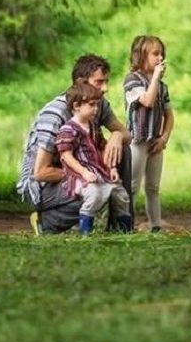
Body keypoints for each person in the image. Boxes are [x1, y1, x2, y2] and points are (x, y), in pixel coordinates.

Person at [17, 54, 133, 235]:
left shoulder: (97, 104)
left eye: (106, 81)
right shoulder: (54, 115)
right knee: (96, 191)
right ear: (81, 83)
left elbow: (126, 135)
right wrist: (87, 175)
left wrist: (117, 136)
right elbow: (40, 172)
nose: (106, 88)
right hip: (39, 185)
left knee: (122, 150)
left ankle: (121, 226)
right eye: (99, 82)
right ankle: (46, 223)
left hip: (76, 169)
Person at [56, 82, 133, 235]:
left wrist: (111, 168)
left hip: (99, 171)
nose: (96, 109)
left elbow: (103, 147)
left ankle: (125, 230)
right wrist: (84, 172)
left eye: (97, 105)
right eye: (91, 105)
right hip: (79, 175)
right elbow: (66, 156)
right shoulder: (68, 130)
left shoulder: (93, 127)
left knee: (120, 194)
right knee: (94, 194)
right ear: (77, 106)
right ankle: (86, 231)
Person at [123, 35, 174, 233]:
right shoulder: (132, 80)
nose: (160, 57)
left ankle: (156, 226)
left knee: (153, 187)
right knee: (133, 186)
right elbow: (147, 101)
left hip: (155, 142)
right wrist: (155, 78)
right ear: (141, 55)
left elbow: (170, 116)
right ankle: (125, 226)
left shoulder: (162, 87)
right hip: (137, 141)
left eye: (162, 53)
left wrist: (164, 138)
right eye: (155, 53)